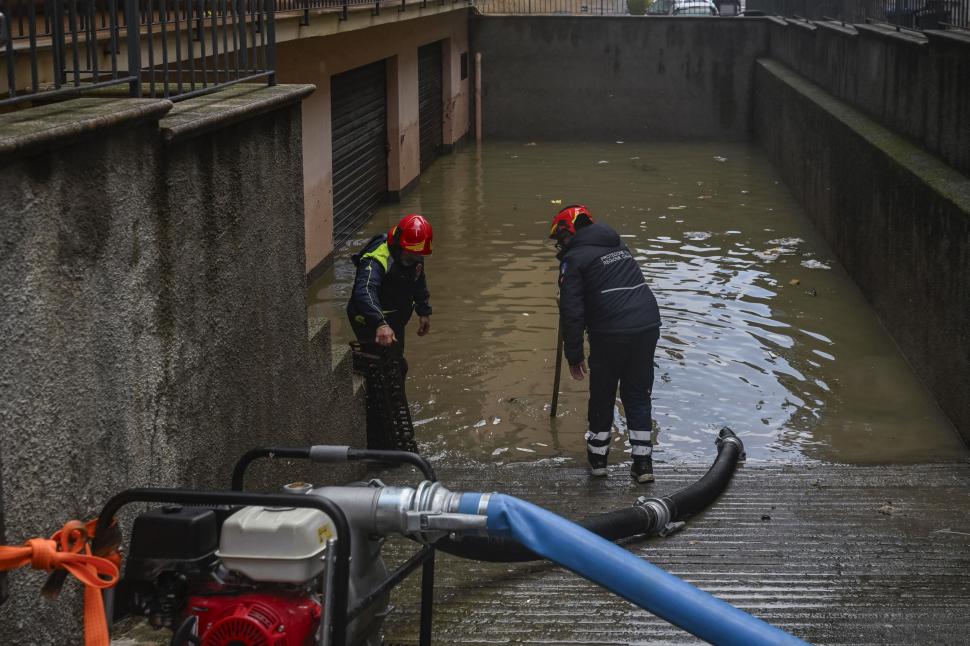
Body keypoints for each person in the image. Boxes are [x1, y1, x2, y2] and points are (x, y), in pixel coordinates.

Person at [550, 204, 662, 483]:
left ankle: (598, 461)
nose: (560, 245)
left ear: (568, 232)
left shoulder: (574, 259)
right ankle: (643, 465)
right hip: (647, 324)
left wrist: (574, 355)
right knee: (637, 394)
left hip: (611, 331)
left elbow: (572, 312)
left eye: (560, 238)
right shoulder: (618, 245)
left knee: (603, 393)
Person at [347, 213, 433, 372]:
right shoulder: (378, 257)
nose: (416, 257)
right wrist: (380, 323)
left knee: (396, 364)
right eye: (412, 253)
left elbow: (419, 281)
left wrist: (424, 311)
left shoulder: (415, 254)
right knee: (389, 367)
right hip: (369, 319)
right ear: (401, 244)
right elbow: (364, 291)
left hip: (394, 318)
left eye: (419, 253)